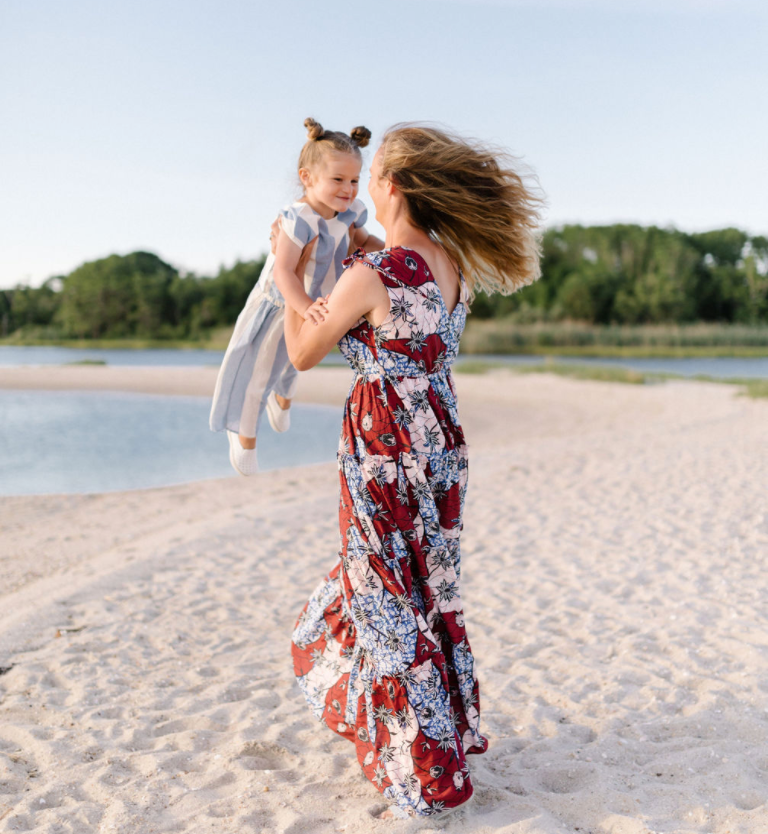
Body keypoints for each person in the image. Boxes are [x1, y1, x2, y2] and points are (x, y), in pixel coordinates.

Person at [284, 123, 543, 818]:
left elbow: (304, 349)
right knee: (426, 586)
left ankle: (428, 769)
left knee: (384, 592)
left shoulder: (374, 275)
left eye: (369, 180)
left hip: (382, 442)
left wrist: (284, 276)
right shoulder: (448, 263)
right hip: (441, 437)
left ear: (391, 186)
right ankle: (441, 740)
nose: (361, 189)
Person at [209, 118, 383, 475]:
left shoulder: (348, 213)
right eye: (337, 180)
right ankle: (244, 436)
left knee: (291, 363)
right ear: (307, 177)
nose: (348, 189)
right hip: (280, 304)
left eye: (354, 180)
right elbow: (283, 271)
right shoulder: (296, 219)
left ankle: (282, 400)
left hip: (316, 304)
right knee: (257, 369)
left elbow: (364, 242)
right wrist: (303, 305)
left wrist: (394, 251)